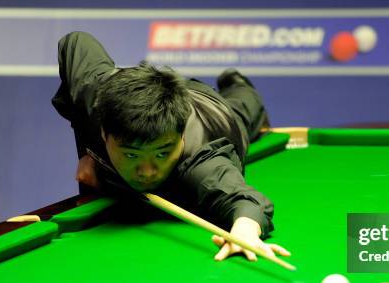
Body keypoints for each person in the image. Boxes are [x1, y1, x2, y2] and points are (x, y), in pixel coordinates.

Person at [52, 31, 290, 263]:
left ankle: (236, 83)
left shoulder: (200, 162)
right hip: (150, 95)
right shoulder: (95, 94)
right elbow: (76, 41)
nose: (147, 171)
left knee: (243, 108)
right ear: (104, 132)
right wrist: (86, 152)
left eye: (162, 153)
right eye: (131, 154)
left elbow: (246, 201)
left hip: (213, 113)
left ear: (181, 140)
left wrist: (245, 232)